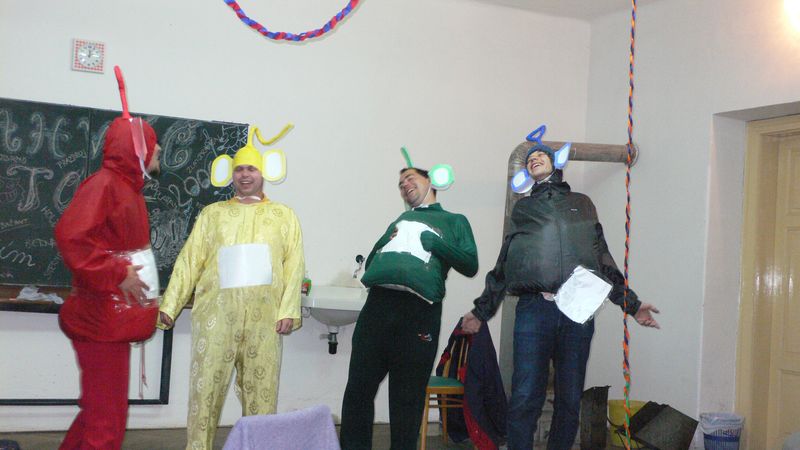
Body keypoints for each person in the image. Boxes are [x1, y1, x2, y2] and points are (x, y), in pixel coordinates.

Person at [461, 144, 660, 450]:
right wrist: (481, 311)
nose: (534, 159)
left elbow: (602, 258)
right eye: (529, 159)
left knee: (569, 398)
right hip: (533, 310)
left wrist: (631, 304)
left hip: (577, 312)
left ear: (555, 163)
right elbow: (505, 264)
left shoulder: (582, 204)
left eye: (540, 155)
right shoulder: (523, 209)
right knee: (525, 395)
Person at [157, 145, 305, 450]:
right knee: (205, 392)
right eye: (239, 169)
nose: (245, 175)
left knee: (262, 394)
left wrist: (288, 310)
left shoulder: (283, 216)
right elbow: (189, 261)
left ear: (263, 172)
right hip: (216, 318)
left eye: (251, 169)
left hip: (265, 322)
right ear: (231, 174)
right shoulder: (213, 215)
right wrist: (170, 305)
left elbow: (294, 265)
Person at [340, 167, 479, 449]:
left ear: (430, 181)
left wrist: (439, 245)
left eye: (410, 178)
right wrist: (381, 243)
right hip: (378, 306)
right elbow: (372, 262)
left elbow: (470, 264)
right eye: (400, 183)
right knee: (358, 390)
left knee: (407, 399)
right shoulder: (401, 220)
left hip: (419, 312)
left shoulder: (454, 221)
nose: (404, 185)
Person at [55, 116, 161, 450]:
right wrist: (117, 273)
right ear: (137, 149)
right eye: (152, 142)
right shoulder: (105, 186)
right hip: (101, 323)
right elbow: (71, 236)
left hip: (110, 323)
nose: (159, 148)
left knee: (98, 414)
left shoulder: (127, 189)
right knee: (106, 424)